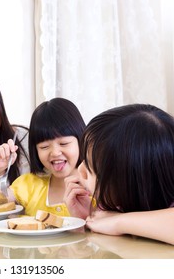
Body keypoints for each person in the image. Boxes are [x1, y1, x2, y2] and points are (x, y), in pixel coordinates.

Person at [65, 104, 174, 245]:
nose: (80, 169)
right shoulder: (119, 205)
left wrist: (118, 222)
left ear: (129, 181)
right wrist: (89, 218)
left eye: (91, 167)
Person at [9, 98, 86, 216]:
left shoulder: (97, 186)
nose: (55, 153)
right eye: (44, 147)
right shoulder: (29, 185)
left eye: (63, 143)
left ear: (81, 140)